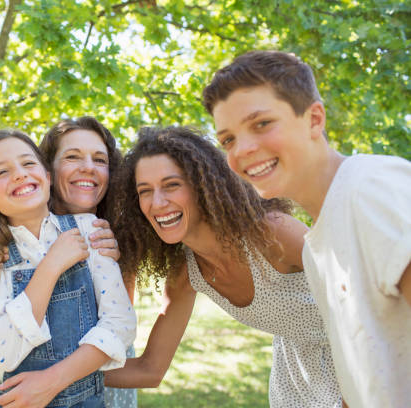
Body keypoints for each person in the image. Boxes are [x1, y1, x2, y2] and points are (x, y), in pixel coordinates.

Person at [202, 50, 411, 407]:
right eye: (228, 140)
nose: (244, 150)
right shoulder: (316, 250)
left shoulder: (370, 190)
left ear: (314, 119)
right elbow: (362, 380)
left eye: (262, 124)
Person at [105, 126, 342, 407]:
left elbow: (366, 299)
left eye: (171, 185)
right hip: (298, 379)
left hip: (364, 358)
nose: (158, 202)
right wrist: (63, 373)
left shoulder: (271, 233)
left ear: (202, 186)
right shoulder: (186, 273)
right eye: (145, 191)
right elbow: (150, 370)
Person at [0, 117, 138, 408]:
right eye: (2, 171)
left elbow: (121, 324)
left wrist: (53, 380)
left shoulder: (90, 229)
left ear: (47, 177)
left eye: (28, 164)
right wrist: (51, 267)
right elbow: (4, 354)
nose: (18, 174)